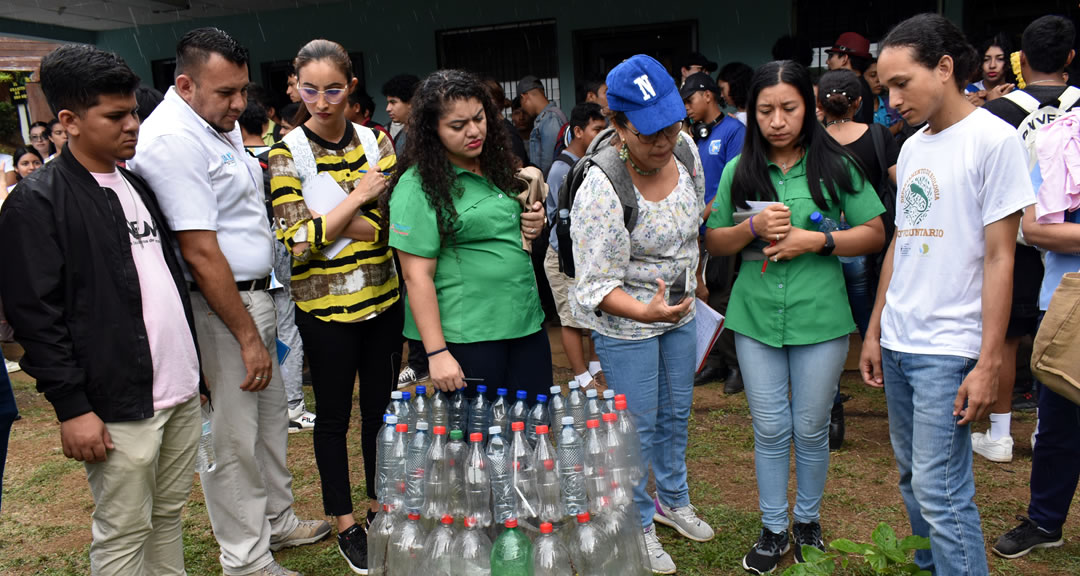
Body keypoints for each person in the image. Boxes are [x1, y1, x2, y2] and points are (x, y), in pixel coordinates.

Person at [129, 27, 330, 576]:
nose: (240, 104)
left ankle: (276, 522)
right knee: (233, 439)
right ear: (186, 84)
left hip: (254, 295)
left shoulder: (217, 124)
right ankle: (245, 559)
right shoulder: (174, 139)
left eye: (243, 90)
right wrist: (245, 334)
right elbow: (199, 250)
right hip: (218, 308)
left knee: (267, 425)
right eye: (226, 94)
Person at [0, 43, 205, 575]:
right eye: (116, 115)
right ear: (67, 121)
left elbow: (164, 285)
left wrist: (194, 372)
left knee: (167, 516)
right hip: (115, 404)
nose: (132, 124)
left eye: (134, 110)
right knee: (123, 531)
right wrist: (72, 406)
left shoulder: (135, 183)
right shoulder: (37, 201)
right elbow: (36, 317)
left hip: (178, 388)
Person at [866, 14, 1034, 575]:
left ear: (943, 69)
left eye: (901, 83)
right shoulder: (911, 148)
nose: (891, 99)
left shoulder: (994, 139)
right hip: (899, 340)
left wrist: (989, 361)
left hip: (948, 346)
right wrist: (874, 330)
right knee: (914, 480)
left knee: (941, 491)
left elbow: (1000, 256)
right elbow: (901, 243)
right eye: (884, 86)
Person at [705, 60, 884, 574]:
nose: (777, 120)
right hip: (756, 317)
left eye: (788, 108)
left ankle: (807, 522)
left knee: (809, 428)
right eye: (765, 110)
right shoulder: (741, 171)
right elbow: (715, 239)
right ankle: (773, 528)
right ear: (751, 112)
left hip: (820, 319)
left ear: (808, 106)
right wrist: (752, 228)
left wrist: (819, 241)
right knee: (769, 428)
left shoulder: (836, 166)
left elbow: (874, 232)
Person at [571, 54, 715, 575]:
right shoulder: (602, 184)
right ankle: (638, 522)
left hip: (677, 312)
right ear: (618, 124)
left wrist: (694, 283)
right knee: (637, 426)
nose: (664, 141)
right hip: (627, 321)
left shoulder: (685, 148)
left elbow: (692, 227)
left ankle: (673, 500)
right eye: (650, 132)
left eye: (673, 126)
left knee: (677, 413)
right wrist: (644, 311)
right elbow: (593, 283)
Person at [268, 39, 403, 574]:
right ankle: (345, 520)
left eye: (331, 89)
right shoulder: (285, 153)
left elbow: (398, 227)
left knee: (379, 413)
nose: (321, 101)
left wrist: (334, 222)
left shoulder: (377, 140)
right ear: (293, 88)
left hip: (383, 302)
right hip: (323, 312)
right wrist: (358, 199)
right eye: (309, 89)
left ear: (350, 87)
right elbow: (295, 239)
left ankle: (377, 508)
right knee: (332, 420)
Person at [388, 69, 550, 400]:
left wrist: (534, 222)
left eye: (479, 118)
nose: (474, 131)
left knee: (533, 434)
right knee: (479, 444)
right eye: (458, 126)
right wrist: (436, 354)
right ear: (433, 131)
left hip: (525, 324)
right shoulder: (416, 187)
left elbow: (506, 223)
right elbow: (416, 276)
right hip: (469, 336)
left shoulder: (497, 168)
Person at [991, 49, 1080, 557]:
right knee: (1058, 426)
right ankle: (1046, 520)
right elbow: (1034, 227)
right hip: (1067, 304)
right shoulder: (1063, 136)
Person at [975, 16, 1072, 465]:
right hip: (1067, 239)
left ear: (1022, 61)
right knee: (1065, 332)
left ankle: (998, 433)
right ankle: (1046, 433)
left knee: (1006, 335)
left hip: (1009, 237)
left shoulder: (996, 112)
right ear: (1071, 57)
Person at [239, 96, 316, 435]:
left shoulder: (232, 161)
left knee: (262, 330)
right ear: (265, 126)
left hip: (247, 263)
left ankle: (279, 404)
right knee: (288, 328)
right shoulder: (278, 157)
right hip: (283, 247)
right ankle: (293, 406)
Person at [680, 71, 746, 393]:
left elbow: (731, 184)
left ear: (708, 95)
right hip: (698, 230)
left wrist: (699, 216)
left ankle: (736, 365)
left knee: (723, 296)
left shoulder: (735, 132)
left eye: (690, 100)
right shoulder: (695, 136)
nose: (687, 108)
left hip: (724, 227)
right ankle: (715, 360)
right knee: (702, 296)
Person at [543, 102, 606, 390]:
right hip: (563, 257)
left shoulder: (597, 162)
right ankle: (581, 377)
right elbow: (561, 219)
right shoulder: (561, 168)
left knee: (595, 314)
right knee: (570, 318)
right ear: (578, 131)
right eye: (596, 129)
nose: (602, 134)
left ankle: (596, 369)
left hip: (586, 256)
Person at [518, 75, 567, 175]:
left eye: (521, 103)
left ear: (524, 97)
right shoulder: (548, 117)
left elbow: (549, 164)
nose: (523, 109)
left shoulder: (550, 119)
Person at [825, 32, 876, 124]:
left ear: (844, 59)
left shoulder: (850, 89)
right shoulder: (862, 85)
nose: (827, 62)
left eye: (831, 56)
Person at [966, 33, 1017, 106]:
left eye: (1000, 59)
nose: (992, 65)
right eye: (986, 59)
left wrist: (986, 105)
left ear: (1009, 62)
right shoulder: (967, 92)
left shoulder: (1018, 96)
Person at [382, 73, 419, 157]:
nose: (388, 108)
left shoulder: (427, 133)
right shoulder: (401, 134)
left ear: (411, 102)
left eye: (393, 102)